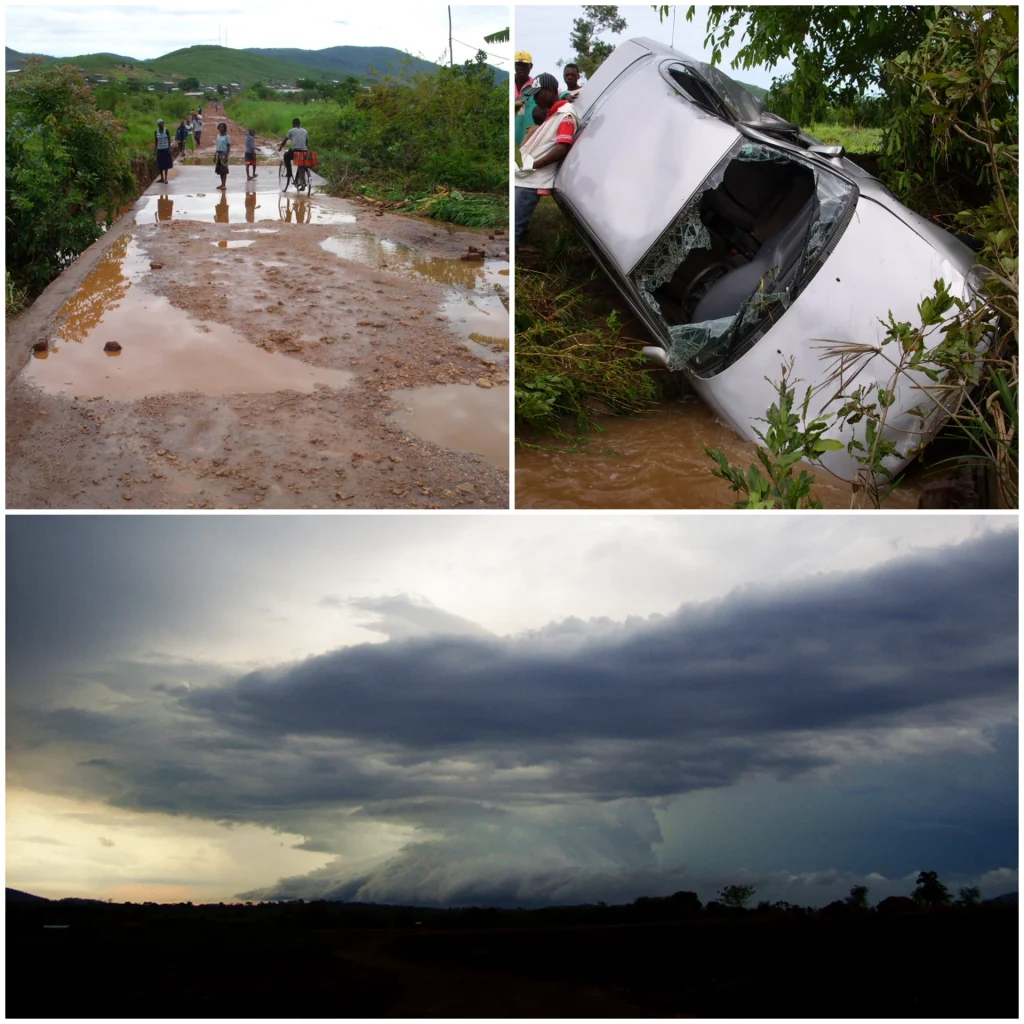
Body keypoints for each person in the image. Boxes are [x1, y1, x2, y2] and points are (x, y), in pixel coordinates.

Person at [514, 74, 579, 249]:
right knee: (517, 219)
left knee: (515, 224)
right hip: (525, 175)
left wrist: (531, 165)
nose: (535, 98)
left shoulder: (565, 115)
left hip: (531, 179)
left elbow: (562, 148)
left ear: (550, 91)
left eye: (537, 93)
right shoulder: (553, 114)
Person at [278, 117, 310, 190]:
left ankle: (289, 173)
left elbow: (285, 140)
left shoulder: (291, 130)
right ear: (299, 124)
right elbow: (306, 143)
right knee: (301, 164)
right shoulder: (305, 131)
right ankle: (299, 181)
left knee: (286, 156)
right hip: (304, 151)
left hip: (296, 151)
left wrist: (280, 147)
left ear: (293, 124)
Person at [513, 50, 536, 148]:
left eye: (524, 65)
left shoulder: (536, 86)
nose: (520, 68)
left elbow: (554, 92)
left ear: (530, 66)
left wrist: (565, 94)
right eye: (518, 64)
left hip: (527, 142)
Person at [154, 118, 173, 183]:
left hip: (166, 149)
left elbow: (169, 139)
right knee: (160, 165)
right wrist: (154, 151)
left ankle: (165, 178)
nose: (162, 124)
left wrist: (169, 148)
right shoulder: (156, 132)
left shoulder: (166, 131)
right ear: (158, 125)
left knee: (166, 165)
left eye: (163, 123)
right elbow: (156, 141)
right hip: (159, 150)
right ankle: (161, 178)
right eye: (161, 123)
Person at [214, 121, 230, 190]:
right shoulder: (218, 136)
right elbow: (217, 146)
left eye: (222, 127)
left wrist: (226, 156)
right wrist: (215, 155)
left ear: (225, 128)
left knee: (224, 170)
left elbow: (228, 147)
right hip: (218, 154)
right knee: (220, 170)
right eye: (220, 127)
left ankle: (224, 184)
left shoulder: (227, 137)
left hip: (223, 154)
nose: (221, 129)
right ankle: (222, 184)